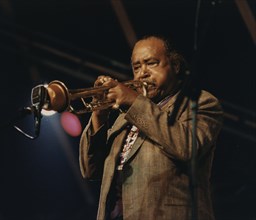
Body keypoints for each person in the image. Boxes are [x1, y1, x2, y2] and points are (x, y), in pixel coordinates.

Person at [79, 35, 223, 220]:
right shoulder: (124, 118)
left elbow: (187, 147)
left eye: (151, 63)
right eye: (136, 67)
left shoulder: (200, 103)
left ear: (175, 66)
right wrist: (99, 115)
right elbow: (90, 170)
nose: (142, 73)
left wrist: (134, 101)